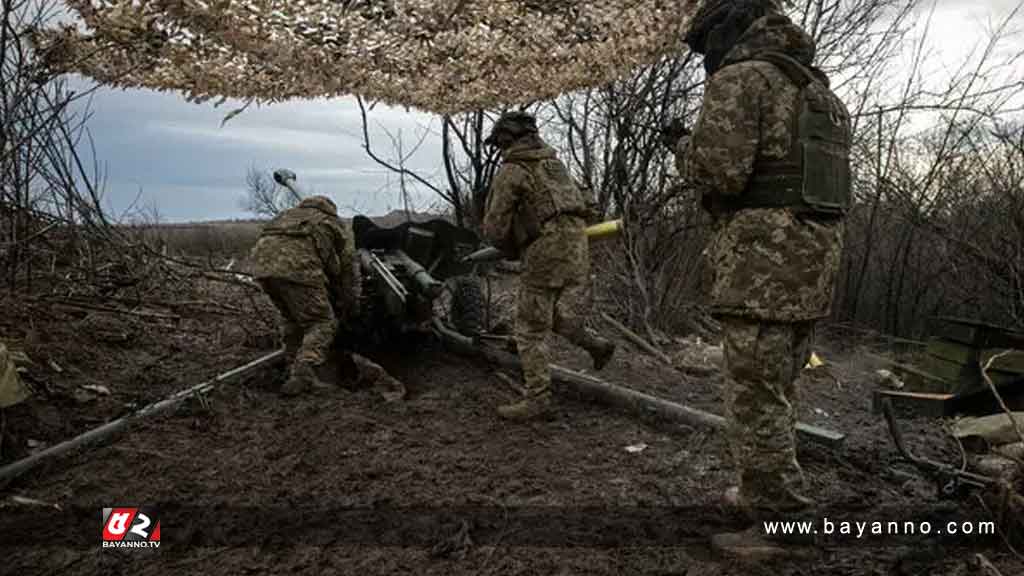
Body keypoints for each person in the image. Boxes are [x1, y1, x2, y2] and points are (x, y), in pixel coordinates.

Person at [675, 0, 851, 543]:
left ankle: (781, 525)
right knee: (778, 387)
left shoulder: (741, 79)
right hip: (811, 264)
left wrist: (682, 147)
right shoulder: (819, 91)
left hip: (760, 265)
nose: (708, 56)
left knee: (754, 393)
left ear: (730, 31)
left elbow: (721, 174)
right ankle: (765, 495)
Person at [482, 111, 616, 420]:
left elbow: (494, 227)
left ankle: (538, 400)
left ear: (506, 140)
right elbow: (589, 203)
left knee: (529, 328)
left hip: (545, 250)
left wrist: (508, 247)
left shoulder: (513, 170)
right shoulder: (556, 166)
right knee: (553, 314)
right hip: (577, 247)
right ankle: (596, 345)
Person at [250, 196, 357, 395]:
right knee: (322, 322)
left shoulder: (286, 216)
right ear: (330, 209)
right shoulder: (330, 222)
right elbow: (346, 266)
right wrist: (350, 301)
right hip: (298, 271)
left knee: (292, 319)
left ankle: (291, 367)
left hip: (262, 271)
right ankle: (304, 374)